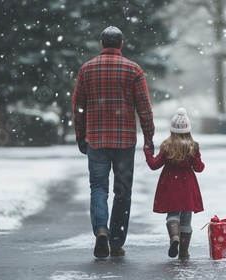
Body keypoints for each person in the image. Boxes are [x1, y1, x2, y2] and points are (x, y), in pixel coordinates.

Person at [72, 26, 155, 259]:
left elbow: (78, 107)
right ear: (121, 43)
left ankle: (101, 230)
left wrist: (81, 135)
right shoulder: (133, 69)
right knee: (122, 191)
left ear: (101, 43)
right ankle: (117, 241)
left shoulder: (87, 69)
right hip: (124, 141)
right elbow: (144, 108)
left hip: (96, 141)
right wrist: (149, 138)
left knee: (98, 188)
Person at [143, 107, 205, 260]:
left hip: (170, 185)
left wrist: (147, 151)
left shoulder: (167, 146)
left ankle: (174, 237)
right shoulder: (193, 146)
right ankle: (183, 252)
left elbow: (153, 165)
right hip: (187, 186)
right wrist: (197, 158)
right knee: (186, 219)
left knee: (173, 214)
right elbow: (199, 168)